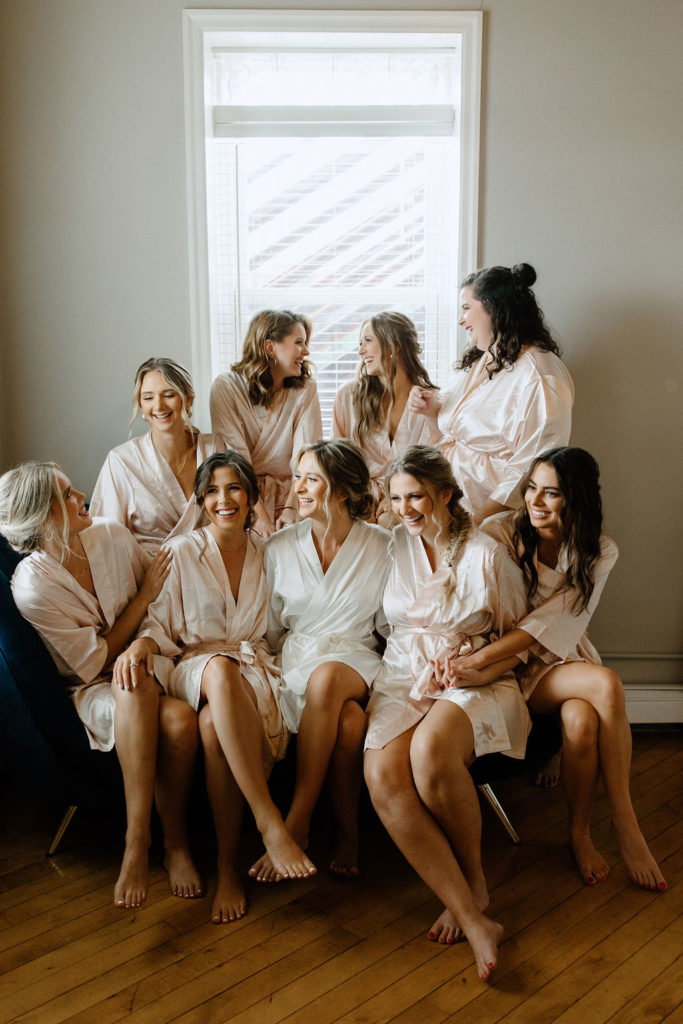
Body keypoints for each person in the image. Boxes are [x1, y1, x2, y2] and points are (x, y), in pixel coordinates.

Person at [445, 446, 666, 893]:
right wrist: (486, 661)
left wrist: (485, 662)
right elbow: (497, 614)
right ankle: (626, 823)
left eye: (551, 494)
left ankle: (580, 833)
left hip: (556, 655)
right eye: (531, 488)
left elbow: (556, 623)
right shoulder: (501, 531)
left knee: (582, 721)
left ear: (576, 499)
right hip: (505, 661)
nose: (535, 501)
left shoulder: (600, 550)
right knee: (606, 684)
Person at [119, 451, 314, 923]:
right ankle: (270, 822)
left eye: (233, 489)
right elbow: (160, 621)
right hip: (197, 666)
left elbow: (284, 628)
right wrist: (143, 644)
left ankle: (228, 867)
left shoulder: (273, 553)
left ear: (251, 496)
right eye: (212, 491)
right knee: (220, 670)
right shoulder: (182, 551)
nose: (223, 499)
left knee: (212, 729)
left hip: (253, 669)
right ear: (201, 500)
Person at [0, 462, 201, 909]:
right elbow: (92, 662)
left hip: (150, 657)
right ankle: (163, 841)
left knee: (137, 679)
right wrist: (142, 598)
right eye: (69, 495)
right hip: (91, 688)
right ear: (46, 515)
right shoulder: (31, 587)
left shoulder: (110, 534)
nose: (82, 498)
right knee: (181, 722)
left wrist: (144, 641)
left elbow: (161, 599)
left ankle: (149, 840)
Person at [363, 446, 530, 981]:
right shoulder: (394, 547)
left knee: (430, 753)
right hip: (402, 674)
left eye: (416, 496)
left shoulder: (485, 555)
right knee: (380, 772)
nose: (406, 508)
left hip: (475, 678)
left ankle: (475, 883)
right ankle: (473, 917)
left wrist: (471, 666)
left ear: (445, 494)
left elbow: (519, 642)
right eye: (395, 498)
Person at [250, 439, 391, 881]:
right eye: (299, 477)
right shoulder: (277, 548)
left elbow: (392, 627)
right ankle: (349, 832)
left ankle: (297, 822)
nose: (300, 488)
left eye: (312, 479)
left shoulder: (384, 546)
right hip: (298, 659)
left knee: (328, 680)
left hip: (357, 658)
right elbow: (271, 631)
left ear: (344, 490)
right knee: (347, 724)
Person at [408, 263, 574, 524]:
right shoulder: (476, 365)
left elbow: (534, 465)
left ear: (494, 308)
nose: (461, 319)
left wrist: (479, 523)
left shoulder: (539, 374)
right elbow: (449, 441)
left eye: (466, 308)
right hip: (451, 511)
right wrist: (431, 413)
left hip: (494, 520)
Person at [90, 357, 223, 554]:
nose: (159, 406)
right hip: (149, 572)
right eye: (148, 398)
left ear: (188, 398)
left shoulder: (216, 449)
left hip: (211, 563)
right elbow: (106, 540)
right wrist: (148, 584)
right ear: (140, 404)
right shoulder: (122, 461)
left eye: (169, 395)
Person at [210, 310, 322, 537]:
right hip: (243, 496)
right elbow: (236, 458)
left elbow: (307, 455)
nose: (306, 351)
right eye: (299, 342)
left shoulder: (305, 389)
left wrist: (292, 507)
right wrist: (260, 515)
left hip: (294, 494)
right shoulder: (226, 388)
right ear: (270, 348)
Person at [332, 312, 439, 524]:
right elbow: (338, 462)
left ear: (395, 345)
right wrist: (362, 500)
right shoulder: (348, 397)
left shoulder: (430, 401)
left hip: (411, 501)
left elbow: (434, 466)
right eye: (360, 343)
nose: (361, 351)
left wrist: (394, 500)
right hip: (358, 501)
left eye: (368, 341)